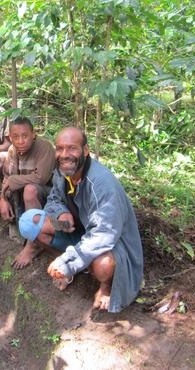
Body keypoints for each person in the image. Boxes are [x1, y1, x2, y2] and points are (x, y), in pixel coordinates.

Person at [17, 126, 143, 313]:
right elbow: (53, 199)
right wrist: (60, 213)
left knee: (103, 265)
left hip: (109, 244)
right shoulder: (63, 171)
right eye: (59, 148)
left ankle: (105, 287)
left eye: (72, 148)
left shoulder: (101, 184)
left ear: (85, 150)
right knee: (30, 223)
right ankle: (71, 268)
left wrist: (68, 262)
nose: (64, 154)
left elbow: (103, 236)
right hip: (78, 230)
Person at [0, 117, 56, 269]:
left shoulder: (45, 148)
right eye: (16, 137)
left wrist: (13, 181)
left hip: (46, 197)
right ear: (10, 137)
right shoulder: (12, 150)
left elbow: (41, 178)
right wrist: (4, 199)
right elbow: (6, 177)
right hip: (18, 195)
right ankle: (18, 226)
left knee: (30, 190)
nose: (20, 141)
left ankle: (33, 245)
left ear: (33, 134)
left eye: (25, 136)